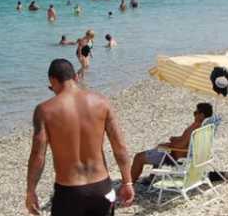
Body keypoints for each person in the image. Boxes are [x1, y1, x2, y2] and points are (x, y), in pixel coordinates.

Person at [25, 59, 134, 215]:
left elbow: (38, 156)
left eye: (51, 87)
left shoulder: (45, 110)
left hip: (69, 192)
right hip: (101, 188)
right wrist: (127, 181)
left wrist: (31, 191)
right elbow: (119, 147)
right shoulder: (102, 102)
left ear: (53, 80)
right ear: (76, 77)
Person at [130, 103, 212, 182]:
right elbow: (186, 141)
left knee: (138, 157)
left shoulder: (194, 128)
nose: (194, 114)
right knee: (160, 148)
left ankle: (130, 184)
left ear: (201, 115)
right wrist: (176, 139)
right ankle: (151, 178)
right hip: (189, 155)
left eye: (196, 112)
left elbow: (181, 145)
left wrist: (168, 145)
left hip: (174, 156)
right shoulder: (205, 128)